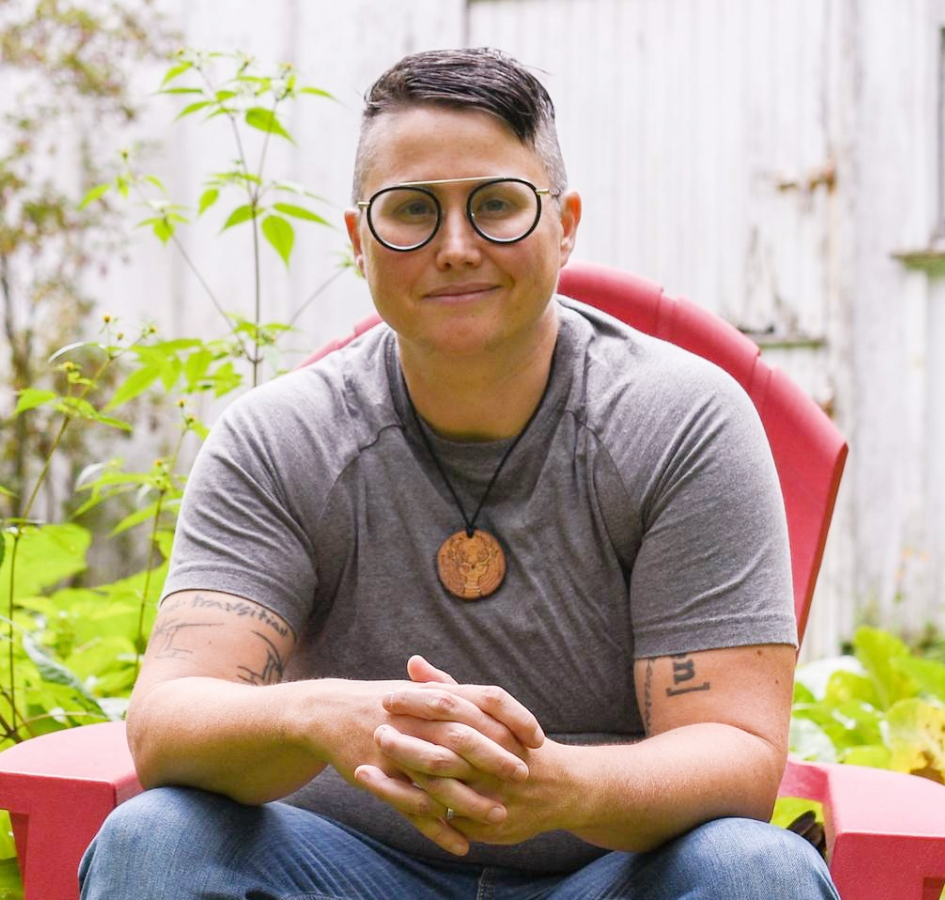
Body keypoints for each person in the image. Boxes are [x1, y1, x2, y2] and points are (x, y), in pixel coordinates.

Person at [80, 47, 839, 899]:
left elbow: (735, 751)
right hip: (340, 866)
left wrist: (561, 787)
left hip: (604, 873)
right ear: (358, 241)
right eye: (410, 211)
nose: (455, 247)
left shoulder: (680, 423)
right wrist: (320, 713)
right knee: (158, 841)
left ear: (565, 223)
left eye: (497, 206)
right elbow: (170, 720)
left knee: (753, 869)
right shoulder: (280, 437)